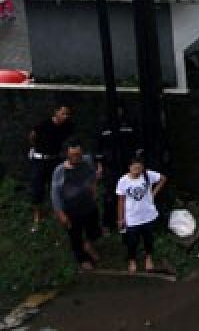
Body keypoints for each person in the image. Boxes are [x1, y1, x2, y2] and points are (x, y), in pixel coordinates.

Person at [51, 140, 102, 270]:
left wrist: (94, 190)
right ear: (67, 154)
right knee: (75, 235)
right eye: (73, 155)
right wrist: (60, 213)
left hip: (89, 204)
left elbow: (93, 175)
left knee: (94, 230)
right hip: (71, 208)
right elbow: (55, 193)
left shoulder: (87, 161)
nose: (76, 157)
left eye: (79, 154)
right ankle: (82, 258)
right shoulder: (60, 170)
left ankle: (89, 244)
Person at [116, 154, 166, 274]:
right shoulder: (123, 181)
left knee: (148, 239)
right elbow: (121, 201)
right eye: (134, 168)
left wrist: (154, 192)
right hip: (132, 218)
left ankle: (148, 258)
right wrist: (120, 219)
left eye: (139, 168)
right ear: (129, 167)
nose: (137, 171)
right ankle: (132, 260)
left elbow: (163, 178)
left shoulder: (148, 175)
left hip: (148, 215)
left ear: (143, 167)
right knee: (132, 241)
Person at [28, 104, 75, 227]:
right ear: (56, 112)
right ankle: (37, 214)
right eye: (63, 113)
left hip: (55, 160)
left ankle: (57, 211)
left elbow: (68, 141)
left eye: (68, 114)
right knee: (37, 188)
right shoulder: (44, 124)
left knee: (57, 186)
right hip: (39, 160)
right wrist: (35, 148)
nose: (66, 116)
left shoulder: (68, 126)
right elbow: (32, 135)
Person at [96, 104, 140, 232]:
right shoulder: (104, 124)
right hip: (110, 167)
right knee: (110, 196)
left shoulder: (129, 123)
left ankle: (128, 221)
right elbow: (98, 147)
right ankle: (108, 223)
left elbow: (136, 144)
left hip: (128, 166)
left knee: (130, 194)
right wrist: (99, 166)